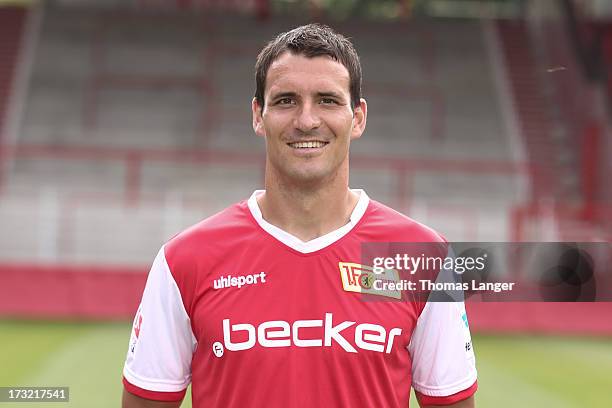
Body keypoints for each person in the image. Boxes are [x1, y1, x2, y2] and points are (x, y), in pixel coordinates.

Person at [121, 23, 477, 408]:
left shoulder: (422, 258)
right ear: (258, 115)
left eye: (327, 100)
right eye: (286, 100)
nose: (307, 120)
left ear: (357, 117)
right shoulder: (185, 260)